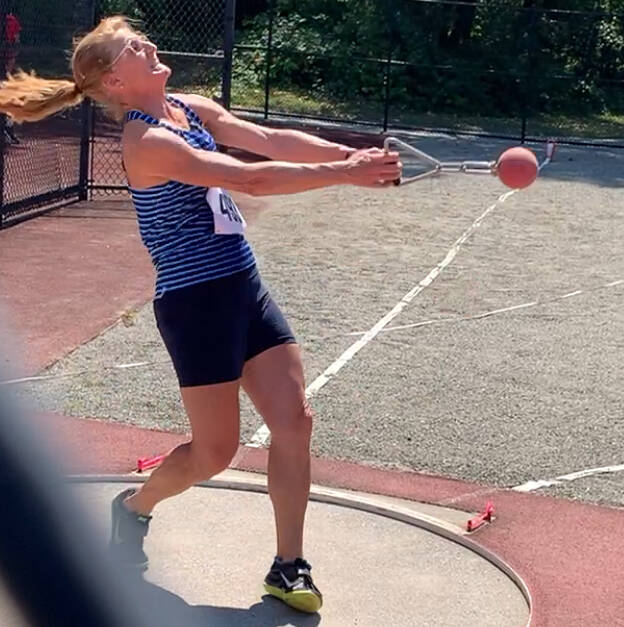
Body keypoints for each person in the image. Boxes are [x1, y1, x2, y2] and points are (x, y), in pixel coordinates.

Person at [0, 16, 401, 614]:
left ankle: (288, 565)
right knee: (214, 454)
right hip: (195, 304)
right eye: (132, 47)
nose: (147, 45)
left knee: (295, 421)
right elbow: (248, 178)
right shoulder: (147, 142)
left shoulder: (189, 108)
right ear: (114, 82)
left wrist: (351, 155)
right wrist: (343, 175)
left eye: (141, 38)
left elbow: (268, 141)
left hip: (243, 285)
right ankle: (134, 507)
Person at [2, 11, 21, 144]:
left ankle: (7, 129)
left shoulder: (10, 20)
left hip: (4, 63)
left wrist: (9, 67)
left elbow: (15, 44)